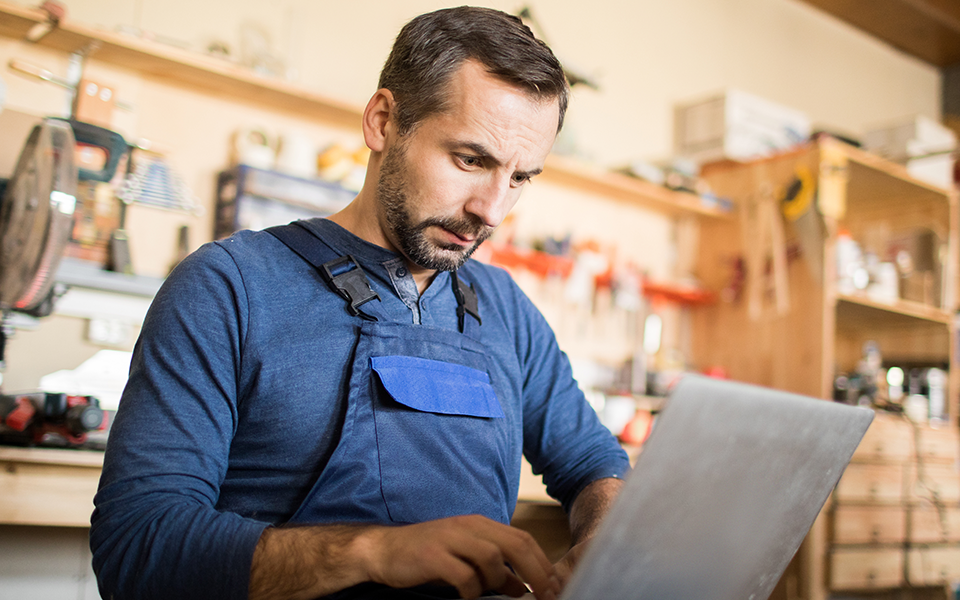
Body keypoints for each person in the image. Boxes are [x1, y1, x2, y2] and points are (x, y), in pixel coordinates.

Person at [90, 7, 630, 600]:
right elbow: (137, 547)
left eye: (520, 177)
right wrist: (374, 550)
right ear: (382, 121)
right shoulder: (229, 287)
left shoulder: (505, 308)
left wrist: (607, 535)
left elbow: (594, 463)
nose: (492, 211)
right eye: (470, 160)